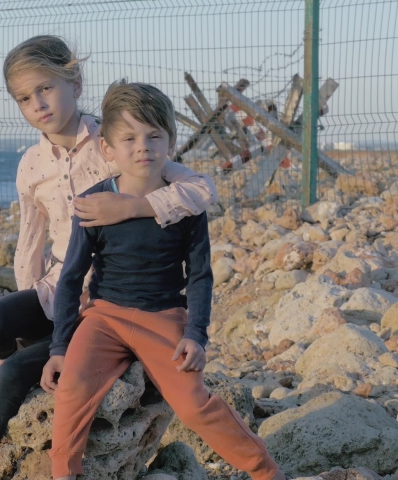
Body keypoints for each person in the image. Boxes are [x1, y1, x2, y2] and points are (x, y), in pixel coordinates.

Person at [0, 36, 219, 479]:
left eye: (46, 88)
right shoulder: (32, 164)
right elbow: (29, 242)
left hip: (113, 299)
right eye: (24, 97)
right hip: (60, 290)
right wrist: (38, 312)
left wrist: (132, 206)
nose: (38, 103)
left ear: (74, 82)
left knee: (15, 373)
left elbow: (202, 190)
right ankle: (54, 349)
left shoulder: (117, 139)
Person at [42, 81, 283, 480]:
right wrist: (60, 347)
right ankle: (64, 475)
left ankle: (267, 472)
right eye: (130, 138)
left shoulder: (184, 204)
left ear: (170, 142)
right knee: (71, 389)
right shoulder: (94, 203)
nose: (143, 147)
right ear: (108, 148)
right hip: (104, 317)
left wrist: (196, 334)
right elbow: (70, 279)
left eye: (155, 136)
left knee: (193, 406)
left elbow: (201, 275)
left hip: (164, 317)